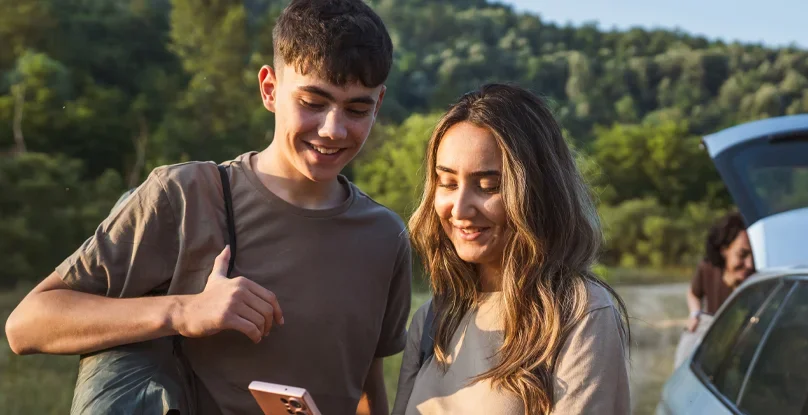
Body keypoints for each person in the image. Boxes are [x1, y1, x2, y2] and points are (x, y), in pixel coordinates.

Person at [4, 1, 410, 414]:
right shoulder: (185, 195)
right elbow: (28, 324)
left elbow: (366, 386)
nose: (333, 129)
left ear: (378, 105)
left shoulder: (386, 236)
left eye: (357, 109)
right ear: (269, 89)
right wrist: (183, 310)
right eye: (313, 102)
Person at [390, 83, 632, 415]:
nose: (459, 208)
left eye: (488, 186)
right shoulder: (432, 319)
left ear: (537, 193)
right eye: (447, 183)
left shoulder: (580, 315)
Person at [674, 211, 755, 366]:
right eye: (742, 255)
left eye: (753, 255)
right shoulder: (707, 268)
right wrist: (695, 314)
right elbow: (693, 293)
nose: (749, 264)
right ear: (724, 249)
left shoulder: (756, 281)